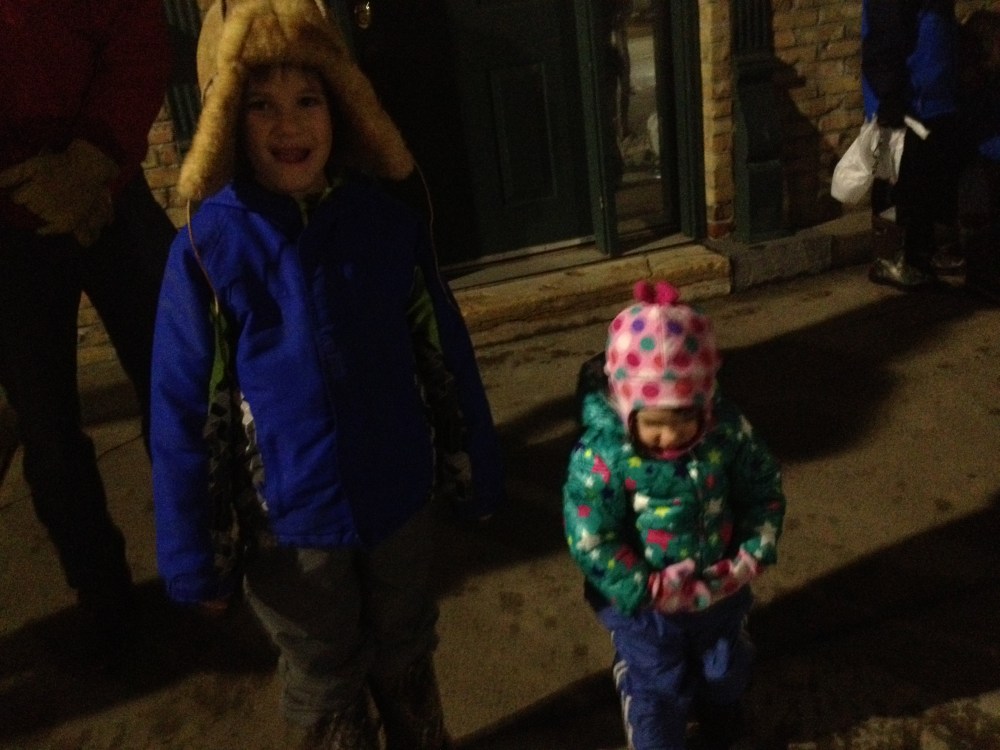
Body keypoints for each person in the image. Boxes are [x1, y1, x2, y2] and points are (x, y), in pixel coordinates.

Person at [149, 1, 504, 748]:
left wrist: (472, 463)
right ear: (226, 120)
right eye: (261, 105)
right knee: (321, 669)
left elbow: (443, 351)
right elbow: (184, 409)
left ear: (342, 105)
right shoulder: (210, 251)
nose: (289, 125)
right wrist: (195, 553)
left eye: (308, 99)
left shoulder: (385, 224)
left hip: (397, 497)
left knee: (406, 639)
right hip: (288, 526)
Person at [0, 0, 174, 662]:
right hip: (13, 210)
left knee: (180, 382)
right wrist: (47, 186)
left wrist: (95, 162)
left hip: (109, 184)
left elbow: (136, 36)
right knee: (46, 428)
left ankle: (210, 545)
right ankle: (102, 593)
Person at [563, 280, 786, 750]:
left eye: (685, 418)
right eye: (653, 424)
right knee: (659, 687)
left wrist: (753, 548)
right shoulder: (603, 456)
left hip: (719, 587)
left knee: (724, 670)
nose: (670, 436)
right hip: (646, 607)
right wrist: (642, 586)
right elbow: (591, 535)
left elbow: (762, 488)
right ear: (626, 407)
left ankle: (721, 706)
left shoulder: (728, 432)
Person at [862, 0, 965, 290]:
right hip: (908, 100)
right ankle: (890, 260)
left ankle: (923, 253)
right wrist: (889, 96)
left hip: (932, 96)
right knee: (897, 180)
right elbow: (883, 40)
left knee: (927, 181)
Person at [955, 9, 1000, 300]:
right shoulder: (975, 84)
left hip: (985, 158)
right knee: (982, 220)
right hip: (980, 162)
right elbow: (980, 131)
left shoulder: (986, 80)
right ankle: (982, 278)